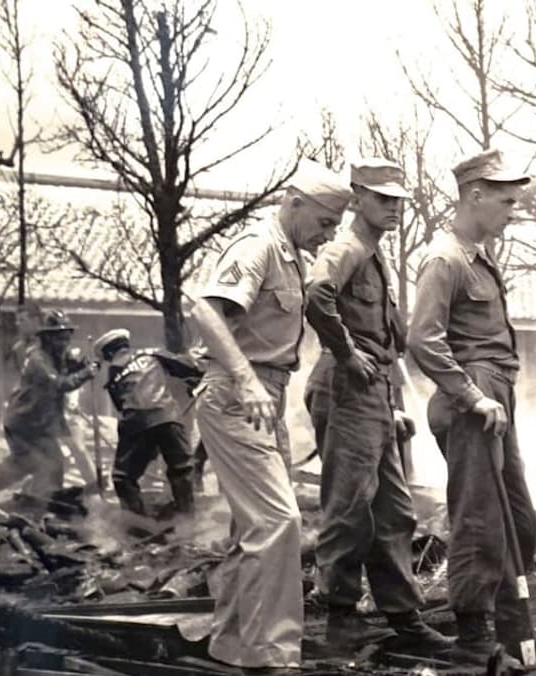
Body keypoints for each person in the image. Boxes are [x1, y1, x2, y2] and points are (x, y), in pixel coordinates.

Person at [183, 162, 350, 673]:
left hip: (263, 396)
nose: (329, 234)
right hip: (237, 397)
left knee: (251, 528)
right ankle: (271, 656)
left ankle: (234, 644)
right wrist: (246, 380)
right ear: (294, 203)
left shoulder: (292, 257)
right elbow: (204, 310)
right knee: (279, 521)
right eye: (325, 222)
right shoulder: (257, 245)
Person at [304, 157, 451, 654]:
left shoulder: (375, 253)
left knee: (394, 511)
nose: (394, 208)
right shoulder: (346, 248)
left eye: (398, 200)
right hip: (348, 388)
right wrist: (347, 353)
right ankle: (339, 619)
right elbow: (317, 295)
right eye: (383, 199)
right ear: (358, 198)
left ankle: (404, 616)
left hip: (375, 392)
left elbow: (386, 336)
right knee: (349, 508)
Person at [407, 149, 535, 662]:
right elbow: (423, 339)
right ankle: (474, 632)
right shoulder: (446, 259)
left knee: (519, 521)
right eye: (507, 202)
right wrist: (473, 395)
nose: (513, 212)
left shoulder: (479, 255)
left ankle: (509, 624)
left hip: (495, 394)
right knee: (479, 516)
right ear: (475, 195)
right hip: (473, 398)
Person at [0, 310, 96, 499]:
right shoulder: (38, 359)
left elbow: (72, 365)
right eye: (59, 338)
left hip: (41, 423)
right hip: (24, 421)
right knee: (30, 462)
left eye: (67, 338)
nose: (64, 343)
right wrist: (86, 373)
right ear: (47, 338)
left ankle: (43, 499)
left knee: (51, 463)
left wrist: (84, 365)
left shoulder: (59, 355)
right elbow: (60, 385)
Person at [92, 329, 202, 518]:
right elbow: (190, 367)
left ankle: (135, 523)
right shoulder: (152, 354)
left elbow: (120, 407)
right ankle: (187, 519)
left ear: (109, 354)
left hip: (136, 424)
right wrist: (196, 382)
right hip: (168, 418)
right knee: (181, 470)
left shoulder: (112, 375)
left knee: (123, 477)